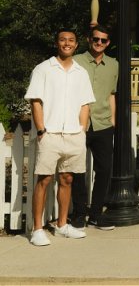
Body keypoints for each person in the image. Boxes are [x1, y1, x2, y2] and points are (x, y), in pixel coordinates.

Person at [26, 29, 95, 246]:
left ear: (76, 45)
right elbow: (36, 101)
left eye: (71, 40)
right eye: (63, 40)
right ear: (57, 43)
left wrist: (82, 130)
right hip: (51, 133)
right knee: (44, 180)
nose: (67, 43)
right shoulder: (43, 69)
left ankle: (62, 225)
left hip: (74, 134)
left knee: (67, 179)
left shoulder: (81, 72)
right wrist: (41, 130)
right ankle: (37, 229)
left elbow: (85, 103)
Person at [71, 25, 117, 231]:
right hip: (79, 123)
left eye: (103, 40)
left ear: (108, 43)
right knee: (77, 170)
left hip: (103, 123)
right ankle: (80, 213)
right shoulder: (77, 61)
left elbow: (111, 94)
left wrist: (113, 120)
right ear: (89, 40)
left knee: (104, 170)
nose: (99, 43)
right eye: (96, 39)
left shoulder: (113, 65)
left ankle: (96, 213)